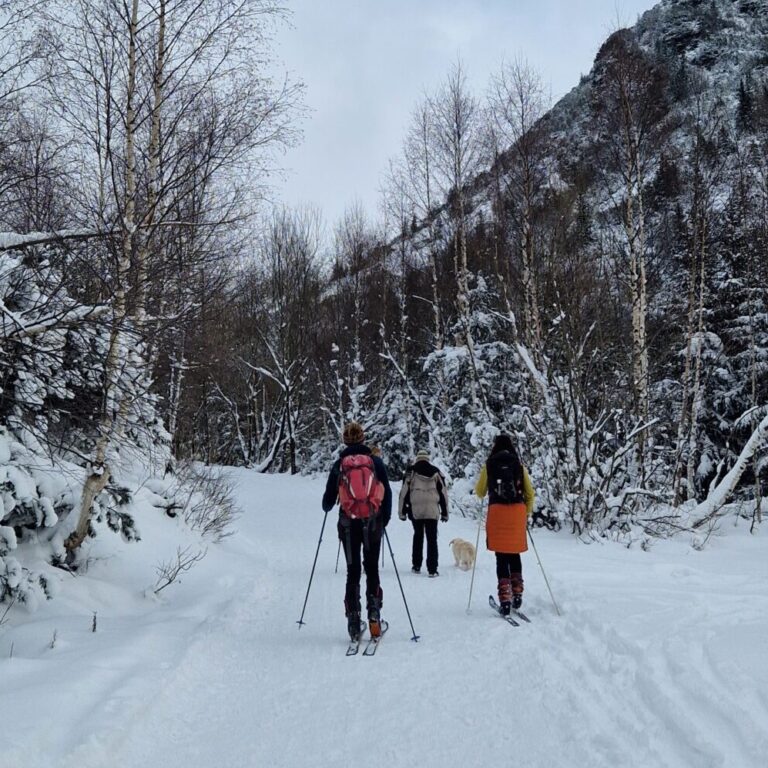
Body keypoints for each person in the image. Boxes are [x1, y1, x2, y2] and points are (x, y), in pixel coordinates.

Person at [322, 421, 392, 640]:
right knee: (372, 568)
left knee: (353, 571)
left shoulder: (339, 465)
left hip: (348, 525)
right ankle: (374, 614)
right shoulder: (375, 462)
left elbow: (327, 502)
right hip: (373, 523)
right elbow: (387, 492)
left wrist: (331, 502)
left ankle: (353, 621)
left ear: (344, 441)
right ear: (363, 439)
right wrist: (384, 519)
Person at [474, 434, 535, 615]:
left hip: (497, 513)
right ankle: (517, 593)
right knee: (514, 553)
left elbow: (480, 492)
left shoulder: (489, 465)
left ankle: (505, 599)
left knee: (501, 556)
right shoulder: (519, 465)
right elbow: (530, 493)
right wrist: (526, 512)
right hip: (517, 512)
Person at [398, 448, 449, 577]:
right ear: (427, 459)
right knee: (432, 539)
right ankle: (432, 569)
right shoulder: (436, 472)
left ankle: (416, 565)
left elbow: (404, 492)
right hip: (432, 508)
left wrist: (402, 512)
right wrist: (445, 512)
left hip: (416, 508)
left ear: (417, 459)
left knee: (418, 535)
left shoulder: (411, 472)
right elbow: (443, 493)